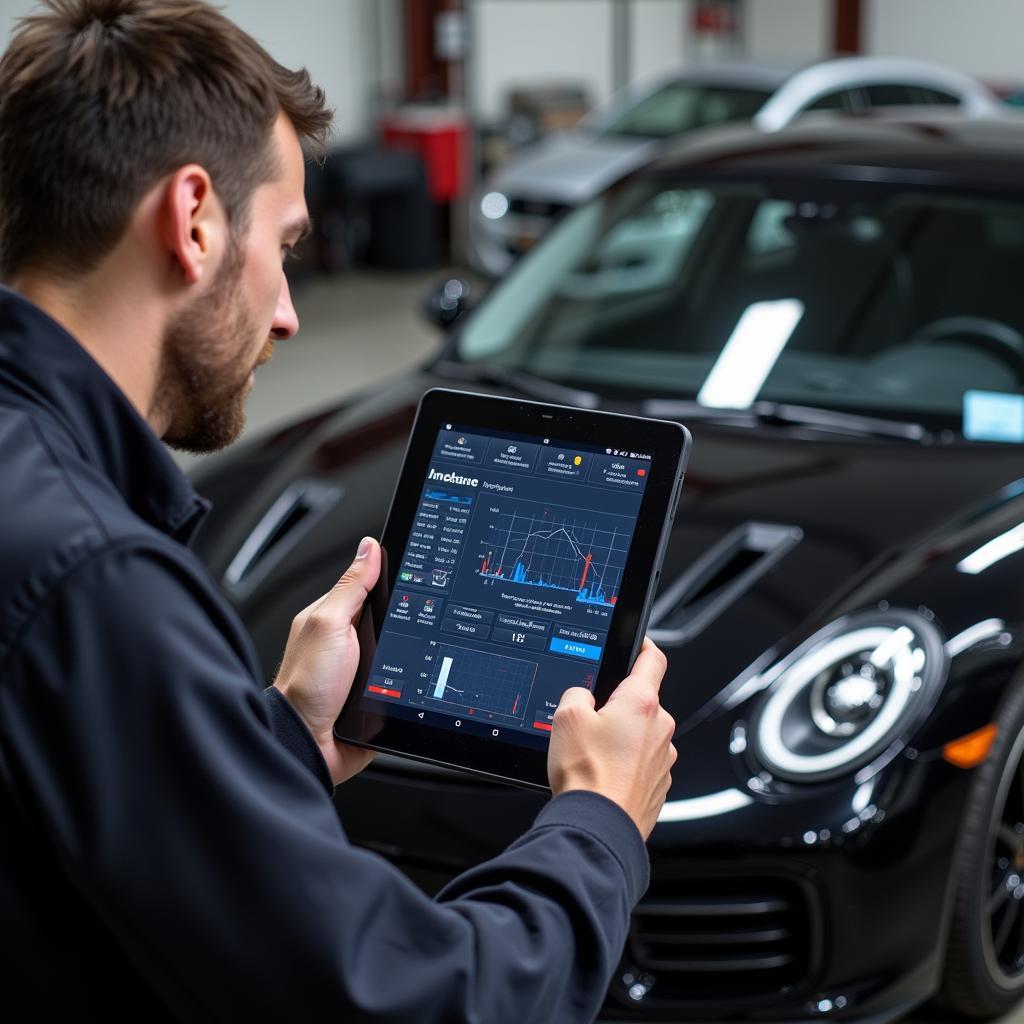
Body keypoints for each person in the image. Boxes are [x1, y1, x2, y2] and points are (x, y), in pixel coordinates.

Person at [0, 1, 677, 1020]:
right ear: (193, 220)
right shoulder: (93, 576)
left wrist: (281, 738)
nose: (288, 312)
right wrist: (596, 820)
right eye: (285, 244)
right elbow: (411, 999)